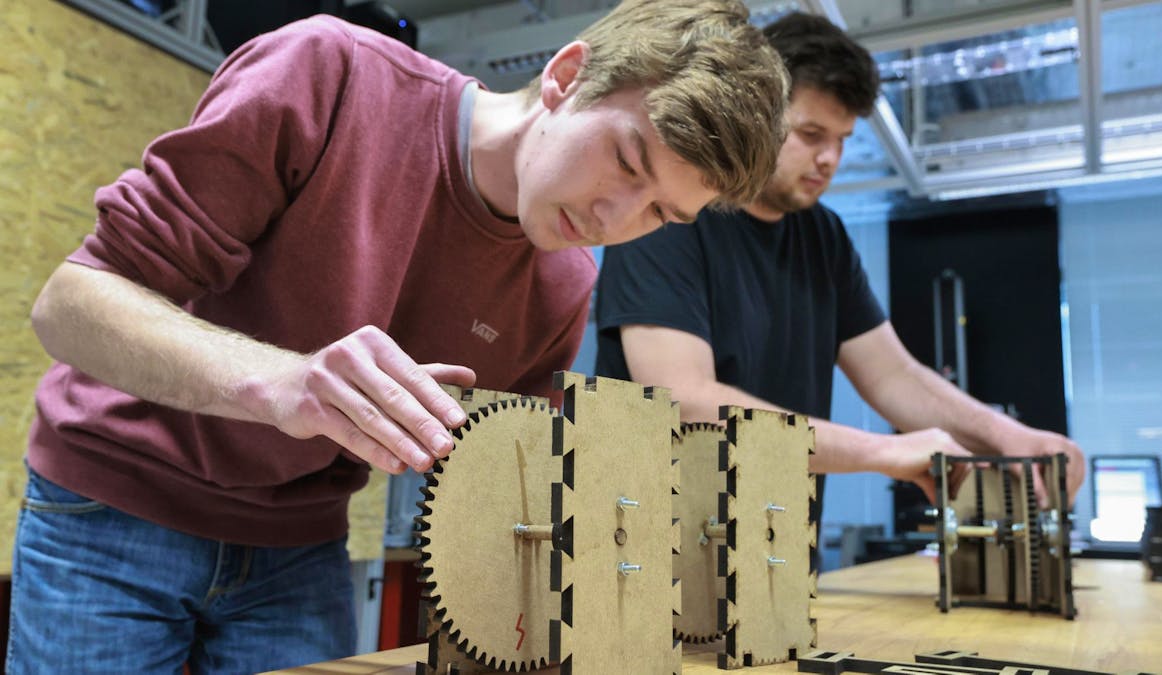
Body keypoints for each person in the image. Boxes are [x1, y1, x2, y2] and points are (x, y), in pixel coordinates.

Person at [10, 1, 788, 672]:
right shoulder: (332, 74)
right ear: (566, 76)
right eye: (625, 161)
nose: (615, 218)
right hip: (114, 504)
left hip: (298, 544)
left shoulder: (564, 285)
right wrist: (284, 383)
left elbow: (503, 503)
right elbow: (70, 305)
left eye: (660, 213)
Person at [593, 12, 1085, 524]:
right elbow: (685, 401)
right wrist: (883, 452)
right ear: (757, 112)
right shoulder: (669, 214)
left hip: (774, 547)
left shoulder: (823, 236)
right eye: (811, 134)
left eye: (843, 138)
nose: (830, 157)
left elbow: (894, 376)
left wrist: (1009, 436)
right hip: (655, 550)